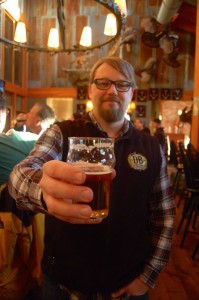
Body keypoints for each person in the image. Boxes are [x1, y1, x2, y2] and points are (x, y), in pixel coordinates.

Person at [9, 57, 175, 300]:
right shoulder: (62, 133)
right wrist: (43, 193)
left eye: (122, 84)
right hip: (62, 285)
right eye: (103, 82)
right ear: (89, 89)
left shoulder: (150, 146)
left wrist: (147, 277)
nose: (112, 90)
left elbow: (164, 216)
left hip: (127, 286)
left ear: (132, 93)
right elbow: (19, 177)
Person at [0, 101, 56, 299]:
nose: (25, 117)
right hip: (29, 257)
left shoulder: (20, 143)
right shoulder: (28, 141)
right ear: (5, 114)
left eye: (30, 115)